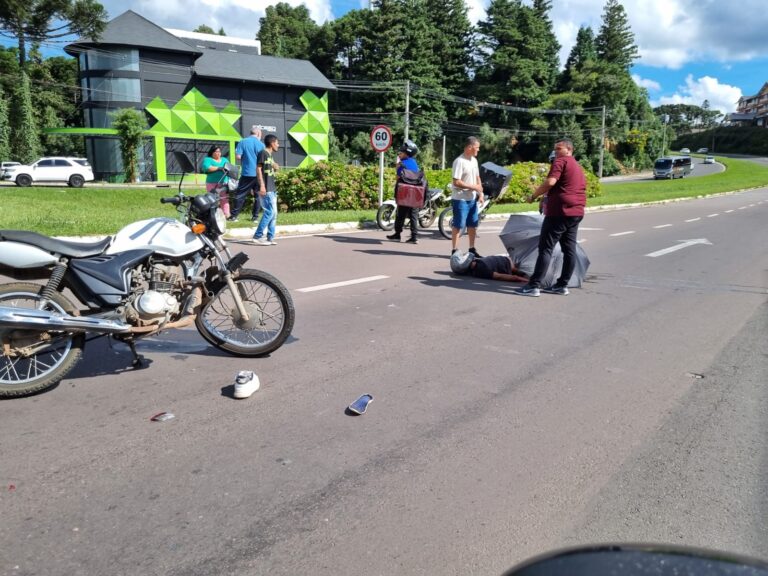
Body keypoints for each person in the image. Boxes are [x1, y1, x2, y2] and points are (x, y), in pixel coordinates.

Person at [514, 138, 587, 297]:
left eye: (559, 148)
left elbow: (550, 182)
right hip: (576, 212)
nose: (556, 152)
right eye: (555, 149)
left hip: (559, 212)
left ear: (569, 150)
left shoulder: (561, 162)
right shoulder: (577, 166)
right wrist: (545, 196)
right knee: (569, 249)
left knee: (546, 248)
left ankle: (533, 286)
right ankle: (562, 285)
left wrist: (533, 196)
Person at [450, 136, 484, 257]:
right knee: (458, 225)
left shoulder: (474, 160)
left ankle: (472, 249)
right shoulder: (459, 161)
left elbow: (477, 177)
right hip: (460, 199)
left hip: (472, 198)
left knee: (473, 224)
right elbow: (456, 182)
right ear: (470, 147)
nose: (478, 150)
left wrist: (480, 193)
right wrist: (474, 187)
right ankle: (454, 250)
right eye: (477, 147)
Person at [386, 139, 421, 244]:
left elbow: (398, 178)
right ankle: (414, 237)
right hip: (415, 192)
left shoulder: (402, 164)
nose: (399, 154)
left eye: (401, 153)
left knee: (401, 214)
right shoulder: (414, 163)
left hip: (405, 193)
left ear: (407, 153)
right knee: (414, 215)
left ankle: (397, 235)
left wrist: (397, 167)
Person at [229, 126, 265, 222]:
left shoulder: (242, 142)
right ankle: (255, 217)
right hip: (258, 174)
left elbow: (238, 156)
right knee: (258, 196)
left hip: (246, 172)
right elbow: (263, 160)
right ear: (258, 134)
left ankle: (234, 216)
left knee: (240, 195)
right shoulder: (261, 145)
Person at [252, 134, 280, 246]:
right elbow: (258, 169)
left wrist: (275, 167)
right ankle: (257, 236)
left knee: (274, 214)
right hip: (266, 188)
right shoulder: (263, 153)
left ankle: (270, 237)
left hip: (272, 188)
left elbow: (268, 169)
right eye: (277, 143)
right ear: (272, 143)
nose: (278, 145)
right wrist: (262, 185)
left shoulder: (269, 155)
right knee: (269, 212)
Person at [450, 251, 529, 283]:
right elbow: (499, 276)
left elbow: (499, 276)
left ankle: (529, 275)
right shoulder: (479, 264)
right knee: (524, 270)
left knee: (523, 271)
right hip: (506, 261)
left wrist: (525, 280)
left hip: (507, 263)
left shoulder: (479, 269)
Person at [201, 145, 231, 218]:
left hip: (224, 182)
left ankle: (227, 214)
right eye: (216, 151)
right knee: (212, 199)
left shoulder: (224, 159)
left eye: (219, 151)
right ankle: (213, 215)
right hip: (211, 183)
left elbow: (229, 167)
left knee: (224, 199)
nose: (218, 153)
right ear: (212, 152)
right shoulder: (208, 159)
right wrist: (219, 168)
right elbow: (207, 168)